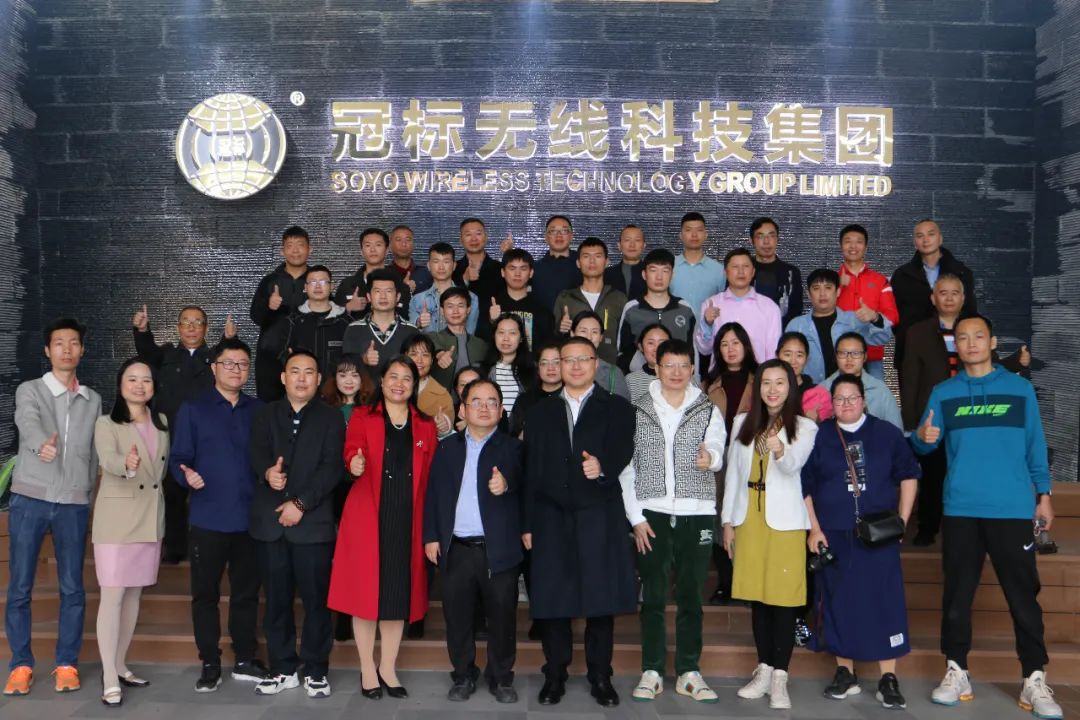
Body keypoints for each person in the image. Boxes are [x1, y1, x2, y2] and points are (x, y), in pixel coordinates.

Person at [911, 314, 1062, 719]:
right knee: (957, 597)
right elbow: (924, 444)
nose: (971, 343)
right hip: (961, 508)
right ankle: (956, 670)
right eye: (963, 337)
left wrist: (1044, 495)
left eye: (979, 336)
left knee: (1023, 598)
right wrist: (921, 439)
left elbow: (1035, 445)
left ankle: (1034, 678)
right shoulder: (943, 393)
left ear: (992, 342)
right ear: (955, 346)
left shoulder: (1019, 389)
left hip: (1012, 508)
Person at [522, 336, 636, 708]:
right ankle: (554, 674)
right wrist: (527, 523)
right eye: (566, 360)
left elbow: (622, 450)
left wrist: (602, 467)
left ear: (595, 364)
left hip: (598, 515)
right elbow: (530, 470)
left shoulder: (618, 408)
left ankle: (601, 676)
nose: (574, 366)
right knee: (554, 600)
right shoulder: (540, 412)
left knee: (600, 601)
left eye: (582, 359)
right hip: (550, 517)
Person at [801, 374, 919, 709]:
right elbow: (805, 485)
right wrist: (814, 529)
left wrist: (902, 521)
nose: (846, 404)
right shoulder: (821, 435)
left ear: (864, 400)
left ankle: (888, 677)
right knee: (838, 599)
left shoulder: (886, 433)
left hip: (878, 535)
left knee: (885, 600)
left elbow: (909, 475)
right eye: (839, 398)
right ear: (831, 403)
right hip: (834, 534)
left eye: (852, 397)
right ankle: (845, 672)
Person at [619, 339, 726, 704]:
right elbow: (627, 468)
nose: (677, 372)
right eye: (670, 365)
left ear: (693, 369)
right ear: (657, 368)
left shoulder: (707, 408)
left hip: (697, 512)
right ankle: (651, 670)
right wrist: (635, 517)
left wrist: (710, 458)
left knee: (691, 595)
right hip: (652, 514)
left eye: (684, 365)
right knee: (653, 594)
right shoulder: (638, 409)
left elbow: (717, 447)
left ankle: (688, 672)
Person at [328, 357, 438, 700]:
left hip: (407, 519)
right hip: (368, 516)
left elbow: (431, 476)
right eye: (393, 377)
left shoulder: (425, 425)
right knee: (365, 595)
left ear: (414, 385)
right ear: (381, 380)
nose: (399, 384)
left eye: (407, 378)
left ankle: (388, 668)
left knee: (396, 595)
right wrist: (354, 463)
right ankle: (367, 668)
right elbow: (350, 451)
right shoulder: (363, 417)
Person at [5, 318, 101, 697]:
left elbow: (93, 453)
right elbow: (26, 421)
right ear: (47, 350)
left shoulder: (92, 400)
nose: (66, 349)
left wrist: (87, 495)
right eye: (59, 343)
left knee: (73, 588)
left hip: (73, 504)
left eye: (73, 343)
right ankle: (21, 665)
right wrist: (39, 445)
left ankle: (66, 664)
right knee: (20, 587)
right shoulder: (30, 389)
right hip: (30, 498)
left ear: (82, 350)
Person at [170, 338, 271, 692]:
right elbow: (178, 459)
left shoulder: (260, 410)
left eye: (242, 364)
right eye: (228, 363)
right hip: (208, 518)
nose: (236, 370)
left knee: (246, 593)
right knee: (205, 595)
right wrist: (186, 475)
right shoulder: (193, 409)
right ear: (214, 367)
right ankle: (210, 661)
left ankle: (245, 657)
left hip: (250, 519)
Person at [900, 275, 1027, 546]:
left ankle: (967, 528)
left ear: (963, 297)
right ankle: (928, 527)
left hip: (972, 413)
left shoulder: (975, 327)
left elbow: (990, 367)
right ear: (933, 298)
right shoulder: (918, 332)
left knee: (965, 471)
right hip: (934, 414)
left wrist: (1016, 363)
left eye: (954, 293)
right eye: (942, 293)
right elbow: (909, 378)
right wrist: (911, 423)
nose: (948, 298)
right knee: (933, 475)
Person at [721, 359, 818, 711]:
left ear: (791, 387)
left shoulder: (805, 427)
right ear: (757, 387)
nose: (772, 390)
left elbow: (793, 467)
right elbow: (733, 475)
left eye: (780, 383)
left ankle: (780, 676)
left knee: (783, 600)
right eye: (766, 383)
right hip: (749, 519)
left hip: (786, 522)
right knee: (758, 598)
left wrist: (779, 447)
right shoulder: (741, 423)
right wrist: (727, 521)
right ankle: (762, 670)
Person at [248, 350, 345, 698]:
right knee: (276, 600)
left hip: (312, 524)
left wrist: (301, 504)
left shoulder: (331, 418)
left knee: (317, 601)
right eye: (295, 371)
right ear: (283, 377)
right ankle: (283, 667)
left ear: (319, 379)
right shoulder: (265, 414)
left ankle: (316, 669)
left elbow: (332, 468)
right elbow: (256, 453)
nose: (301, 378)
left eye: (309, 372)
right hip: (270, 523)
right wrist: (267, 473)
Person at [423, 378, 523, 704]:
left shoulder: (513, 448)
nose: (484, 407)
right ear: (462, 410)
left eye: (491, 401)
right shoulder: (447, 449)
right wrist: (431, 536)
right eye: (475, 401)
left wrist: (507, 484)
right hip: (457, 548)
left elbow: (527, 488)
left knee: (503, 617)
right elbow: (433, 495)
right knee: (457, 618)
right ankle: (463, 675)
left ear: (501, 410)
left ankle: (501, 677)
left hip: (499, 550)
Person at [92, 358, 170, 707]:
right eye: (132, 379)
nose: (140, 385)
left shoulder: (162, 422)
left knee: (134, 595)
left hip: (150, 518)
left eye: (146, 380)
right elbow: (107, 459)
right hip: (117, 521)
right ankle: (109, 675)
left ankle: (121, 664)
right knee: (113, 596)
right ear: (120, 384)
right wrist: (126, 464)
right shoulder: (106, 423)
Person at [132, 303, 234, 564]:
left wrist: (228, 340)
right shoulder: (166, 355)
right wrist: (142, 331)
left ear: (206, 328)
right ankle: (175, 548)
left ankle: (209, 548)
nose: (191, 327)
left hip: (208, 437)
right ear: (178, 328)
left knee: (209, 492)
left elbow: (231, 361)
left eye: (197, 322)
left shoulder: (214, 357)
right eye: (186, 322)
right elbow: (147, 353)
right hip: (172, 436)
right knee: (173, 493)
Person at [701, 322, 758, 606]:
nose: (730, 349)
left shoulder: (760, 379)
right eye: (724, 344)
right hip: (718, 457)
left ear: (746, 346)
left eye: (735, 343)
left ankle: (747, 581)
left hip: (751, 454)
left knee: (746, 516)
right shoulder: (709, 383)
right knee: (719, 519)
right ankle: (726, 583)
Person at [891, 219, 978, 376]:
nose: (926, 240)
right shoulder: (901, 275)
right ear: (914, 242)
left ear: (940, 238)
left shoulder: (961, 272)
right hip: (914, 350)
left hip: (954, 350)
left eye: (931, 234)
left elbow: (970, 312)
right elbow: (895, 317)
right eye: (920, 236)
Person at [785, 269, 893, 384]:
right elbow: (786, 362)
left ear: (838, 292)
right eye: (816, 288)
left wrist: (875, 318)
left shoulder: (853, 320)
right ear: (809, 295)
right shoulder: (796, 326)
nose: (822, 294)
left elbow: (882, 338)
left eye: (828, 288)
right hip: (812, 390)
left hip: (849, 390)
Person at [250, 226, 311, 401]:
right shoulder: (270, 281)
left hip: (308, 357)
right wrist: (269, 306)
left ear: (310, 249)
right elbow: (255, 316)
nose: (295, 250)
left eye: (300, 245)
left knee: (308, 408)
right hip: (270, 359)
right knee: (270, 409)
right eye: (290, 245)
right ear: (282, 251)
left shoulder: (316, 280)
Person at [695, 248, 782, 367]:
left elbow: (773, 354)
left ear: (753, 272)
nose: (741, 272)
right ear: (725, 272)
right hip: (721, 375)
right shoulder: (711, 304)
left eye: (746, 266)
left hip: (757, 375)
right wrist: (707, 324)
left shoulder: (769, 307)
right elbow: (704, 350)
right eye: (735, 267)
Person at [617, 248, 697, 373]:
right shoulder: (632, 309)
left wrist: (694, 377)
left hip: (678, 377)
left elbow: (693, 350)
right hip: (640, 379)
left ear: (672, 275)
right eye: (653, 270)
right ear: (644, 274)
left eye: (665, 271)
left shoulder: (685, 309)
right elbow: (622, 350)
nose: (659, 277)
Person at [835, 224, 898, 381]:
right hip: (839, 355)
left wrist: (875, 317)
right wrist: (838, 288)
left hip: (872, 355)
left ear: (866, 247)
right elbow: (821, 311)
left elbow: (893, 316)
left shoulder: (880, 280)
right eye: (848, 241)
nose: (853, 246)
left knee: (875, 395)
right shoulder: (832, 281)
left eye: (859, 241)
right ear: (841, 246)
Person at [554, 237, 627, 365]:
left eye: (598, 256)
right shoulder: (565, 298)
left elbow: (626, 339)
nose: (592, 261)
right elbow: (554, 337)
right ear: (578, 263)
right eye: (586, 256)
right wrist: (561, 329)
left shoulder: (619, 298)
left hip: (610, 369)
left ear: (606, 262)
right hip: (575, 368)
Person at [276, 265, 350, 377]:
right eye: (313, 282)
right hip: (303, 385)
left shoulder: (346, 321)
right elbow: (280, 355)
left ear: (332, 286)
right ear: (305, 287)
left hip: (335, 386)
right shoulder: (291, 322)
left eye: (323, 282)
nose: (318, 286)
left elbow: (354, 360)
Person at [341, 270, 420, 375]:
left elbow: (416, 369)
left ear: (397, 297)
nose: (383, 296)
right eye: (377, 291)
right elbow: (345, 369)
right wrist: (364, 359)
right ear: (369, 297)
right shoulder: (353, 329)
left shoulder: (411, 331)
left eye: (388, 291)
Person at [817, 333, 902, 430]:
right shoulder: (822, 390)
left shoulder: (880, 389)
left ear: (865, 356)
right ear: (836, 356)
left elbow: (896, 429)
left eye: (856, 353)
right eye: (843, 353)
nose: (849, 358)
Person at [481, 248, 555, 350]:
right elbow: (481, 345)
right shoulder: (491, 307)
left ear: (531, 273)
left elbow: (548, 347)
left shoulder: (542, 310)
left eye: (523, 269)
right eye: (512, 268)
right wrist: (492, 322)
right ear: (503, 272)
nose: (517, 274)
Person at [334, 227, 411, 320]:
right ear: (361, 251)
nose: (373, 250)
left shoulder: (399, 283)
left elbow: (407, 319)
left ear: (387, 250)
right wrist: (348, 308)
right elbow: (333, 320)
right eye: (368, 245)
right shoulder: (347, 284)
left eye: (378, 245)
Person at [409, 242, 479, 336]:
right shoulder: (417, 300)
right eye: (436, 261)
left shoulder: (471, 298)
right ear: (429, 266)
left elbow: (469, 337)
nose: (441, 267)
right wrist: (419, 323)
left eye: (446, 262)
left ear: (454, 266)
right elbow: (412, 335)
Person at [429, 287, 489, 391]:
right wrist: (440, 354)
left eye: (460, 306)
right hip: (443, 399)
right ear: (442, 311)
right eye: (450, 306)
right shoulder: (434, 338)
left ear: (468, 309)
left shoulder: (480, 345)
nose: (455, 311)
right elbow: (431, 346)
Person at [749, 217, 803, 327]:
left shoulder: (791, 272)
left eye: (771, 236)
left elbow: (796, 310)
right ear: (751, 241)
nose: (766, 241)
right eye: (760, 236)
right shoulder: (743, 271)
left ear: (777, 239)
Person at [403, 334, 455, 438]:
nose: (419, 360)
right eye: (413, 354)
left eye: (425, 355)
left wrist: (444, 426)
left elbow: (447, 429)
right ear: (404, 357)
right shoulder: (391, 387)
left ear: (431, 360)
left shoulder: (442, 394)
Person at [571, 311, 630, 401]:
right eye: (583, 331)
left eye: (594, 332)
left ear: (601, 337)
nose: (589, 337)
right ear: (572, 334)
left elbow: (623, 407)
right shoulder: (558, 367)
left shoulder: (613, 373)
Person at [508, 342, 564, 437]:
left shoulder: (573, 398)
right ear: (538, 368)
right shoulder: (524, 400)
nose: (551, 368)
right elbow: (514, 436)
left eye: (556, 362)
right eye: (544, 363)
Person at [485, 313, 536, 417]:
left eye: (512, 333)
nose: (506, 338)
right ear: (494, 336)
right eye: (501, 332)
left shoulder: (533, 370)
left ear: (521, 338)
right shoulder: (483, 370)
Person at [455, 218, 506, 320]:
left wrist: (508, 256)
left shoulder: (499, 268)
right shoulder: (453, 268)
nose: (474, 239)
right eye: (468, 234)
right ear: (460, 240)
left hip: (491, 327)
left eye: (478, 233)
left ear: (486, 237)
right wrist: (465, 279)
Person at [777, 332, 832, 422]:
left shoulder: (820, 394)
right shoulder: (769, 390)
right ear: (777, 356)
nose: (793, 361)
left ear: (807, 358)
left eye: (799, 355)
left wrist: (817, 421)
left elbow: (827, 427)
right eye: (787, 354)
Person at [532, 215, 583, 313]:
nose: (559, 235)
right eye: (553, 231)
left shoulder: (584, 265)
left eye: (564, 231)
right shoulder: (535, 268)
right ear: (546, 237)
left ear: (571, 236)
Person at [625, 324, 671, 402]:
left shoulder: (684, 377)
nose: (657, 349)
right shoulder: (631, 380)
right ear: (640, 347)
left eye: (662, 343)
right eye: (651, 343)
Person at [604, 224, 647, 301]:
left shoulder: (651, 274)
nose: (632, 245)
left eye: (637, 240)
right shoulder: (607, 274)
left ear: (644, 245)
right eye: (627, 240)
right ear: (619, 245)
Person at [388, 224, 433, 295]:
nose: (404, 244)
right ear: (390, 245)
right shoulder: (383, 274)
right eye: (398, 240)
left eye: (408, 240)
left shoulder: (427, 273)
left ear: (413, 244)